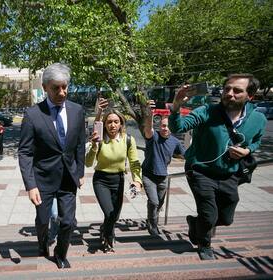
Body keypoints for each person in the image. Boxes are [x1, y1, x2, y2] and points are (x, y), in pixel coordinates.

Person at [168, 74, 267, 260]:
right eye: (227, 89)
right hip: (200, 171)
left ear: (250, 96)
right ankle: (204, 245)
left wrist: (247, 150)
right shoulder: (207, 111)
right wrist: (176, 106)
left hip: (230, 174)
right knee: (209, 215)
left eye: (237, 91)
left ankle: (195, 223)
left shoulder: (258, 119)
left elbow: (257, 141)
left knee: (226, 219)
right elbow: (178, 128)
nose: (230, 94)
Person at [18, 63, 85, 269]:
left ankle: (60, 254)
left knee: (68, 222)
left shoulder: (77, 111)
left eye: (65, 87)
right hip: (42, 180)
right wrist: (30, 185)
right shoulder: (33, 114)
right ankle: (42, 242)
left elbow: (80, 145)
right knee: (43, 219)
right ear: (46, 87)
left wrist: (80, 172)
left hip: (68, 178)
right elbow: (25, 152)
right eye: (56, 88)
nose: (62, 92)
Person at [85, 107, 142, 252]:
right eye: (109, 122)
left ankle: (105, 228)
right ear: (104, 124)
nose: (113, 125)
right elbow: (88, 163)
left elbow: (134, 162)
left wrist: (137, 180)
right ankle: (108, 238)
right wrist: (93, 146)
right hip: (101, 180)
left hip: (118, 180)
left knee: (114, 216)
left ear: (121, 123)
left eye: (116, 121)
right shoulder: (99, 140)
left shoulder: (128, 140)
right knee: (109, 212)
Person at [142, 101, 185, 235]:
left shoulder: (175, 141)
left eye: (167, 126)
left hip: (163, 177)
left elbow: (186, 155)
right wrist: (150, 114)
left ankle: (151, 219)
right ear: (159, 126)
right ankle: (153, 225)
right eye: (163, 126)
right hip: (148, 175)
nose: (165, 128)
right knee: (154, 201)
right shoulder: (154, 137)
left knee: (159, 203)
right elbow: (148, 129)